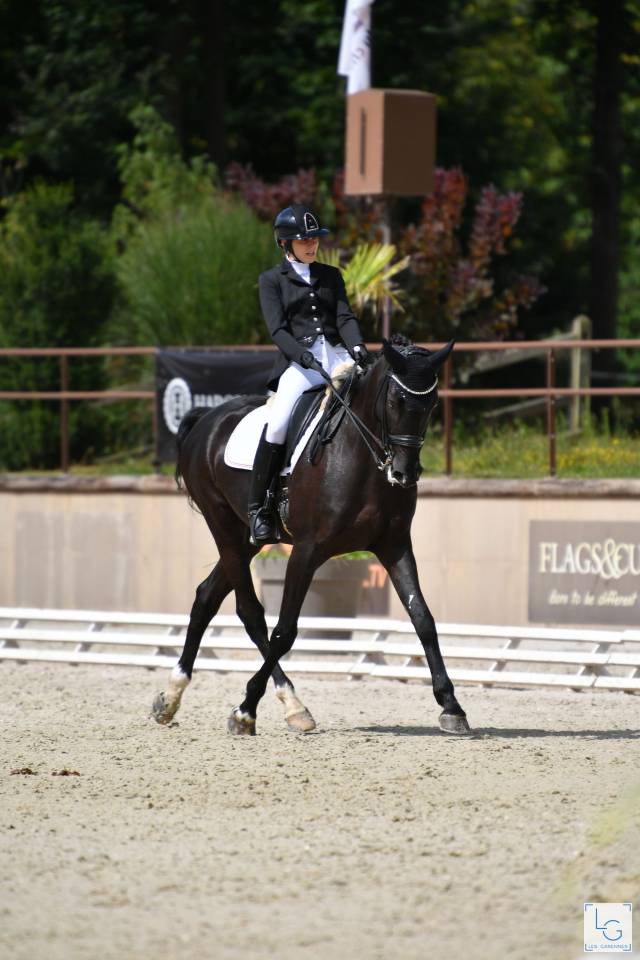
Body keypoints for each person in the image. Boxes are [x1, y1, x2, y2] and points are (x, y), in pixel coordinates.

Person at [248, 202, 374, 545]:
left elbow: (344, 317)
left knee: (375, 400)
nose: (312, 245)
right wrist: (302, 356)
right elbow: (278, 330)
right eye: (305, 241)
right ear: (285, 243)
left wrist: (359, 349)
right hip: (299, 364)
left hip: (337, 356)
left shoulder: (331, 275)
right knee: (276, 423)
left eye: (315, 239)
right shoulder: (271, 281)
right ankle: (259, 508)